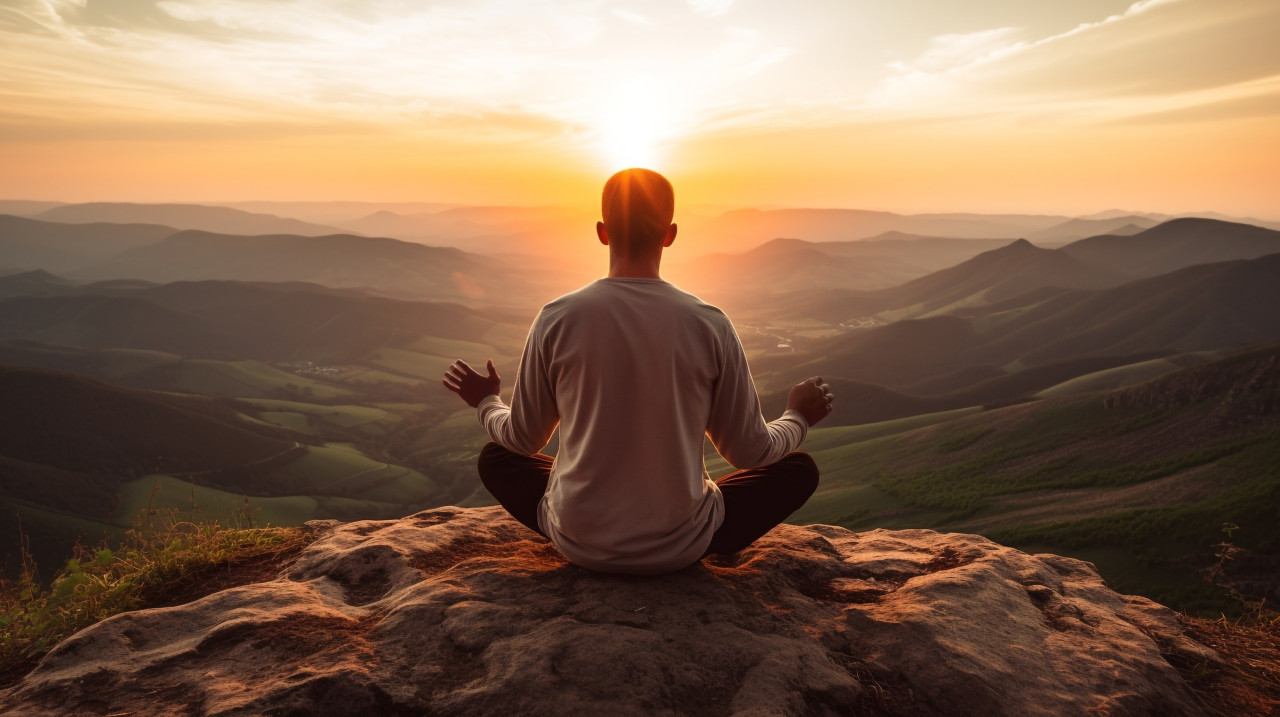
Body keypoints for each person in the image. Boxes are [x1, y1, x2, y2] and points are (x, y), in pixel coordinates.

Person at [442, 168, 833, 574]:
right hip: (682, 546)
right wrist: (797, 416)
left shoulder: (557, 317)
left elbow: (522, 440)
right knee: (797, 469)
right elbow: (750, 452)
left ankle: (585, 519)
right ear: (671, 234)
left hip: (577, 542)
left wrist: (486, 401)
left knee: (496, 458)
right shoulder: (709, 323)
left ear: (602, 231)